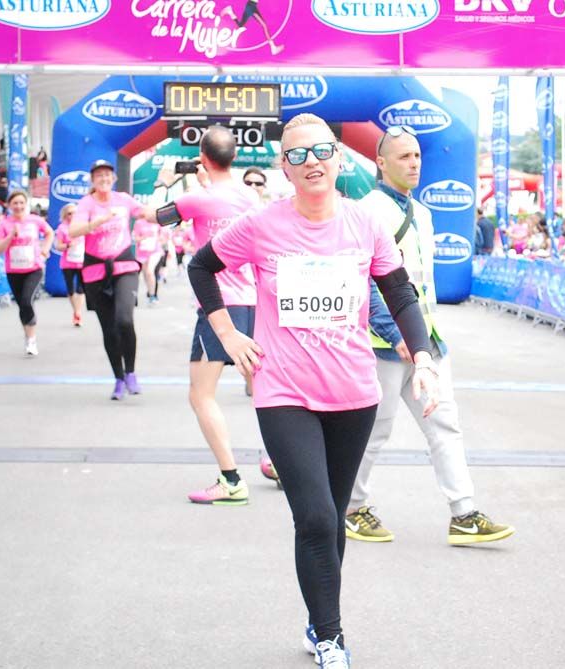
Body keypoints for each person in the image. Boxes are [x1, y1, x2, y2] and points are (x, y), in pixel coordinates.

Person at [187, 113, 439, 669]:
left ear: (339, 158)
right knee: (318, 518)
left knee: (333, 518)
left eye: (321, 151)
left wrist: (421, 357)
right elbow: (201, 267)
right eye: (298, 155)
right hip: (284, 394)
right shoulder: (261, 225)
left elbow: (400, 293)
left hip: (354, 394)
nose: (312, 163)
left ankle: (318, 617)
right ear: (285, 166)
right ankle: (330, 637)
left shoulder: (364, 224)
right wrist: (227, 333)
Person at [347, 125, 515, 546]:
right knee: (374, 431)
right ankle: (351, 507)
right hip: (383, 346)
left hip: (427, 343)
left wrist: (424, 341)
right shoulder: (366, 212)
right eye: (404, 157)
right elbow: (364, 280)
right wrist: (393, 332)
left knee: (445, 426)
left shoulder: (421, 212)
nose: (414, 164)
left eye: (417, 155)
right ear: (381, 162)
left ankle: (464, 513)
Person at [156, 126, 275, 504]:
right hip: (254, 302)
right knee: (264, 390)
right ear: (234, 157)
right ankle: (279, 462)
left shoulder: (196, 199)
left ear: (203, 158)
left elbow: (157, 216)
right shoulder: (250, 197)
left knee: (201, 394)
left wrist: (165, 183)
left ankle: (231, 479)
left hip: (217, 306)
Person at [69, 159, 155, 400]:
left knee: (124, 320)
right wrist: (100, 220)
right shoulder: (86, 203)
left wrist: (172, 210)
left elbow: (146, 213)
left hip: (124, 266)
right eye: (99, 176)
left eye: (107, 175)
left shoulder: (123, 199)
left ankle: (131, 372)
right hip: (95, 271)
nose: (104, 179)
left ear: (114, 178)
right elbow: (73, 231)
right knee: (109, 328)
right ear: (93, 180)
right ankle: (118, 378)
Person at [0, 191, 54, 355]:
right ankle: (28, 336)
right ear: (9, 205)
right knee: (22, 305)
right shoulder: (5, 224)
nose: (18, 206)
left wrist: (45, 249)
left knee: (27, 301)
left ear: (26, 204)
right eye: (15, 203)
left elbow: (49, 232)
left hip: (34, 268)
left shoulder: (35, 220)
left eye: (21, 203)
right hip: (13, 270)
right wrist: (10, 236)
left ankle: (32, 339)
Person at [53, 203, 86, 327]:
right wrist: (68, 245)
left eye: (74, 213)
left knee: (81, 289)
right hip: (68, 263)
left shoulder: (83, 226)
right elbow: (58, 246)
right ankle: (76, 311)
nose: (72, 215)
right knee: (70, 290)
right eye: (69, 213)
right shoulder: (62, 228)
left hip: (82, 262)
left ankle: (78, 313)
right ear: (65, 215)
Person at [132, 208, 163, 305]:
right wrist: (143, 238)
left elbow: (162, 235)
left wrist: (159, 239)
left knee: (150, 271)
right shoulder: (139, 223)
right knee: (145, 274)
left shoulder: (157, 222)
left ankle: (152, 295)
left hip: (155, 251)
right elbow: (135, 238)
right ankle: (149, 291)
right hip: (142, 252)